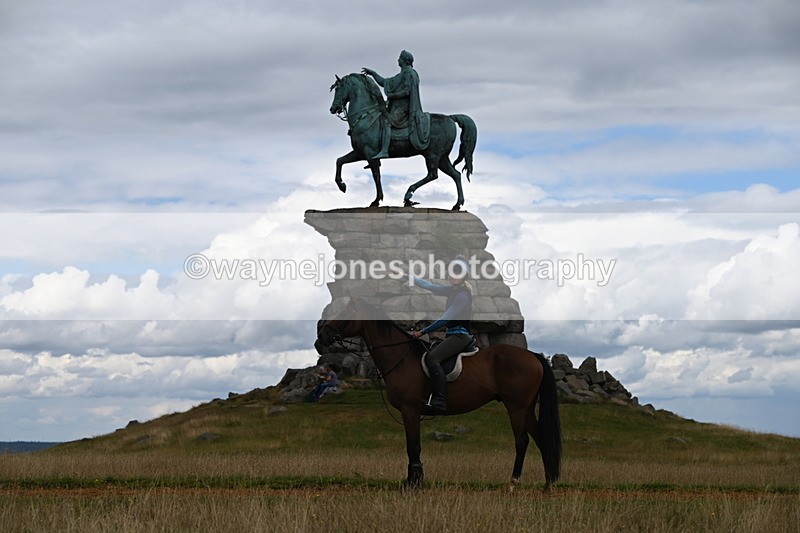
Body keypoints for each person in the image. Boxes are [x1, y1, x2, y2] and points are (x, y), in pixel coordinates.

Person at [408, 257, 473, 413]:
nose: (453, 275)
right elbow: (428, 285)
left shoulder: (462, 295)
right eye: (452, 272)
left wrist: (422, 332)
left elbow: (445, 319)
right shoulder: (452, 290)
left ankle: (439, 401)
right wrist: (404, 275)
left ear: (464, 275)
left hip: (459, 336)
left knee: (432, 358)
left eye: (458, 272)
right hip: (451, 336)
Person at [362, 50, 430, 158]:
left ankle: (384, 150)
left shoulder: (410, 74)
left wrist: (393, 96)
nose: (398, 60)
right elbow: (384, 82)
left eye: (400, 58)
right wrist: (373, 73)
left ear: (405, 60)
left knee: (386, 122)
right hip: (396, 107)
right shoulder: (400, 75)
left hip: (404, 108)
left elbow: (407, 91)